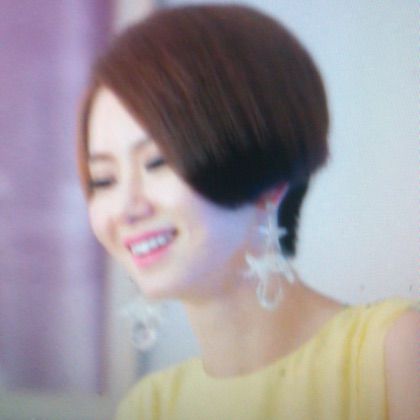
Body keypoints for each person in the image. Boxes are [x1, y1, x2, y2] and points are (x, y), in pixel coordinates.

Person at [77, 4, 418, 420]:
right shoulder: (149, 408)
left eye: (157, 162)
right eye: (104, 180)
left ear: (266, 175)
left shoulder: (392, 357)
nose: (126, 209)